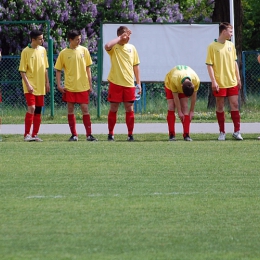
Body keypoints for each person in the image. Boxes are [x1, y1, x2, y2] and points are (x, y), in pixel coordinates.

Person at [55, 30, 97, 141]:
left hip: (83, 85)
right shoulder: (63, 53)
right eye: (77, 39)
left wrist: (90, 83)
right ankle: (74, 135)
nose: (79, 41)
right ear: (70, 40)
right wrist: (59, 84)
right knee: (70, 109)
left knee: (85, 108)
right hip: (69, 86)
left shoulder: (84, 50)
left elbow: (88, 68)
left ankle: (89, 135)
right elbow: (58, 70)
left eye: (80, 39)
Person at [206, 22, 243, 141]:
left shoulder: (231, 45)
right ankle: (222, 132)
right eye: (230, 31)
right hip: (220, 83)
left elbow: (234, 62)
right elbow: (209, 65)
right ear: (224, 32)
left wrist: (238, 78)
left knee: (235, 105)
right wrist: (214, 81)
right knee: (220, 106)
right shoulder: (212, 46)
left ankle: (237, 131)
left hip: (231, 81)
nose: (232, 34)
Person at [104, 25, 141, 141]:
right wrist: (120, 38)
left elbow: (136, 66)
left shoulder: (132, 48)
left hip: (129, 84)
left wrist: (138, 83)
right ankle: (110, 134)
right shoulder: (114, 47)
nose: (128, 37)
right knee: (114, 108)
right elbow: (107, 46)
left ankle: (130, 135)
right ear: (120, 35)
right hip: (116, 83)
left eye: (129, 35)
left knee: (129, 109)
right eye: (126, 35)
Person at [19, 29, 50, 142]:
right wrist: (28, 85)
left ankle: (34, 134)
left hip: (41, 86)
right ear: (33, 40)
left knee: (38, 110)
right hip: (30, 86)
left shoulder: (43, 50)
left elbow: (45, 68)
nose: (42, 40)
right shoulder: (25, 51)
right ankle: (27, 135)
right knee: (31, 107)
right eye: (40, 39)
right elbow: (22, 71)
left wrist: (47, 82)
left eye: (42, 38)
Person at [164, 65, 200, 141]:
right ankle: (171, 135)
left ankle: (186, 135)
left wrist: (192, 111)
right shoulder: (174, 79)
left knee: (185, 106)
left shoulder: (196, 80)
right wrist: (179, 112)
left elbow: (194, 97)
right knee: (171, 106)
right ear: (181, 86)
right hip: (169, 83)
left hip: (182, 81)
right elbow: (175, 97)